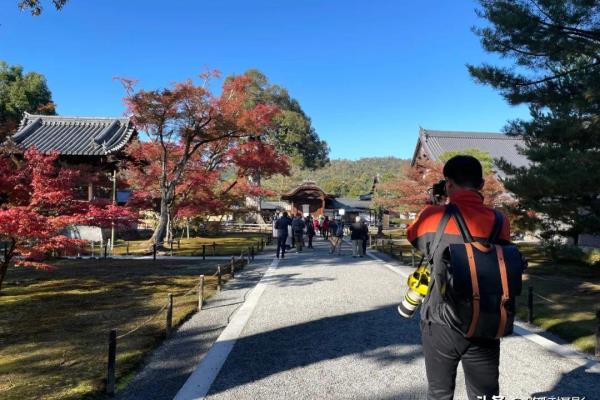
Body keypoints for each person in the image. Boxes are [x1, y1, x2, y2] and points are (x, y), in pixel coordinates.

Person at [406, 155, 511, 400]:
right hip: (485, 318)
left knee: (440, 393)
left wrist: (437, 204)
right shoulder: (499, 221)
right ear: (482, 185)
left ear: (448, 184)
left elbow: (414, 238)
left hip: (440, 318)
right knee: (485, 394)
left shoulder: (432, 216)